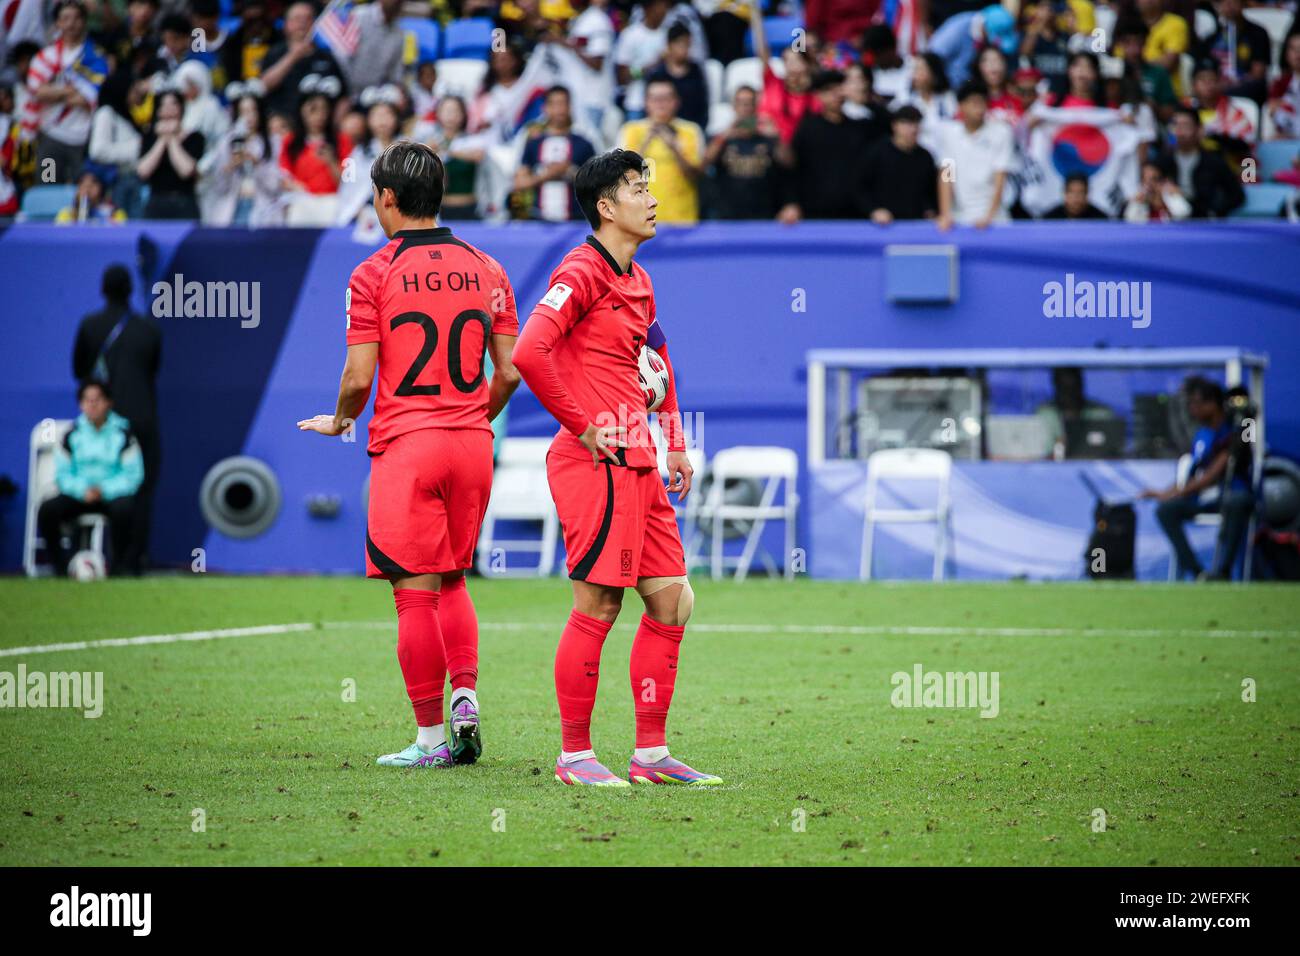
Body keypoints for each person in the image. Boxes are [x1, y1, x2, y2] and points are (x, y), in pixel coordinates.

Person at [297, 141, 522, 769]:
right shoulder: (488, 267)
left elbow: (358, 378)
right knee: (454, 577)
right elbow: (509, 372)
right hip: (473, 446)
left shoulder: (372, 274)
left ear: (387, 199)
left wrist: (341, 419)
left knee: (414, 594)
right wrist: (474, 418)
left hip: (408, 447)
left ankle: (427, 740)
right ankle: (467, 696)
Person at [512, 148, 720, 788]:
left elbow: (660, 363)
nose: (651, 198)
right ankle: (574, 756)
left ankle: (651, 756)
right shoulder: (580, 270)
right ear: (606, 206)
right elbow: (528, 350)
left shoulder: (639, 278)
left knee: (672, 601)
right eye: (637, 188)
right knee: (599, 606)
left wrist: (675, 441)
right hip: (592, 461)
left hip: (641, 461)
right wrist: (582, 424)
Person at [72, 263, 161, 575]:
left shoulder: (90, 325)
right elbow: (153, 369)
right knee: (141, 491)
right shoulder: (148, 329)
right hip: (144, 417)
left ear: (103, 289)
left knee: (111, 484)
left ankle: (90, 556)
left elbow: (80, 371)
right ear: (130, 290)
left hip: (107, 420)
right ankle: (132, 562)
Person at [1141, 377, 1254, 580]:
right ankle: (1197, 572)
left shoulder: (1233, 434)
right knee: (1166, 510)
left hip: (1228, 494)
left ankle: (1224, 571)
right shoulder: (1201, 435)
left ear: (1212, 404)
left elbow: (1211, 476)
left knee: (1237, 501)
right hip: (1203, 498)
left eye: (1196, 403)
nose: (1192, 409)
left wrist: (1178, 493)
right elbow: (1192, 473)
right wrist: (1163, 494)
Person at [38, 380, 144, 577]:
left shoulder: (123, 433)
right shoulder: (71, 434)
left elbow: (133, 475)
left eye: (98, 400)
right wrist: (82, 491)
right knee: (48, 510)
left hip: (110, 495)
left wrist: (103, 490)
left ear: (109, 403)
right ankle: (62, 567)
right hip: (80, 496)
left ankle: (119, 568)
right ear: (81, 404)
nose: (93, 405)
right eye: (88, 400)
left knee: (126, 509)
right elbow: (63, 474)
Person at [22, 1, 109, 184]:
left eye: (77, 18)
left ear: (85, 22)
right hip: (50, 137)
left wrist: (53, 92)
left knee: (81, 190)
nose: (71, 24)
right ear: (58, 23)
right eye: (65, 18)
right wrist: (70, 90)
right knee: (47, 185)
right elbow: (36, 91)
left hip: (83, 139)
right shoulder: (45, 56)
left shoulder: (95, 57)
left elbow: (89, 99)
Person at [779, 69, 876, 222]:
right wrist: (791, 202)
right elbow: (792, 169)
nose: (836, 95)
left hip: (854, 212)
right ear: (819, 95)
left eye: (839, 89)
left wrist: (866, 99)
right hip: (813, 211)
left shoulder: (859, 128)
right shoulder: (807, 129)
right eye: (829, 91)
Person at [616, 77, 704, 223]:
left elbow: (695, 175)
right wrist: (645, 143)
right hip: (640, 220)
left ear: (676, 101)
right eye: (655, 98)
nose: (660, 104)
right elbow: (623, 177)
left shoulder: (691, 131)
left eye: (666, 98)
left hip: (682, 220)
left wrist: (674, 148)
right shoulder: (630, 130)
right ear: (646, 102)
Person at [936, 81, 1015, 229]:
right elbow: (947, 176)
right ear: (961, 106)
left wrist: (989, 217)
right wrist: (945, 213)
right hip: (960, 217)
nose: (979, 108)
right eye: (973, 103)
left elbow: (1000, 176)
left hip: (995, 219)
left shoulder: (1001, 132)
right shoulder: (949, 133)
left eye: (982, 102)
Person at [513, 85, 596, 222]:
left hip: (575, 221)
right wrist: (545, 176)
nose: (560, 109)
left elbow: (596, 184)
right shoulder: (533, 143)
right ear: (545, 108)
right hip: (538, 219)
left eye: (564, 103)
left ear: (570, 107)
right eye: (555, 104)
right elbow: (519, 183)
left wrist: (570, 172)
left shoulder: (584, 144)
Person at [702, 84, 781, 219]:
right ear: (734, 106)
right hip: (728, 215)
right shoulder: (721, 138)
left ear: (756, 107)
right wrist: (725, 135)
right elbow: (705, 163)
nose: (745, 108)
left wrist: (777, 138)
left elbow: (788, 163)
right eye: (741, 103)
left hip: (764, 214)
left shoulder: (768, 137)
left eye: (749, 103)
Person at [259, 1, 346, 121]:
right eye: (297, 19)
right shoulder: (275, 52)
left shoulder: (326, 56)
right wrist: (293, 56)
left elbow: (343, 96)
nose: (302, 23)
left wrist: (335, 125)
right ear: (286, 25)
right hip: (282, 121)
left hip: (319, 125)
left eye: (308, 18)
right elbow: (264, 85)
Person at [749, 2, 816, 144]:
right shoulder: (772, 81)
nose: (790, 64)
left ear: (806, 64)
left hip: (796, 149)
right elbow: (763, 51)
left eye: (795, 59)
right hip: (762, 143)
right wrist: (755, 15)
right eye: (786, 60)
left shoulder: (814, 96)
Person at [1161, 106, 1244, 218]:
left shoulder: (1214, 162)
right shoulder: (1163, 161)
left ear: (1199, 129)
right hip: (1171, 224)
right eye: (1176, 125)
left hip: (1204, 222)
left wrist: (1214, 211)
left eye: (1185, 125)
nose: (1179, 131)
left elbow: (1237, 195)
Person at [136, 88, 204, 218]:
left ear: (181, 107)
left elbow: (186, 170)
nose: (168, 108)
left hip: (184, 201)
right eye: (163, 104)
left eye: (173, 103)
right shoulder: (148, 137)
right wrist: (162, 140)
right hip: (156, 201)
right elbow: (143, 171)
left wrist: (172, 139)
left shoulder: (195, 137)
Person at [863, 104, 938, 223]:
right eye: (907, 123)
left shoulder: (925, 157)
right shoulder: (877, 153)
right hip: (883, 225)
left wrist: (930, 209)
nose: (913, 129)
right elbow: (860, 187)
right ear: (894, 125)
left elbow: (931, 191)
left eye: (916, 123)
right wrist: (873, 210)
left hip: (915, 225)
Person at [645, 22, 709, 132]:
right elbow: (650, 104)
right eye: (680, 44)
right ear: (670, 45)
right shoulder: (658, 73)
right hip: (660, 127)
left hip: (691, 128)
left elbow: (702, 105)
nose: (685, 49)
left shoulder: (696, 71)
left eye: (687, 45)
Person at [343, 0, 404, 93]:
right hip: (346, 88)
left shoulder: (399, 34)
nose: (396, 2)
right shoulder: (359, 16)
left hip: (375, 95)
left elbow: (394, 75)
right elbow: (341, 58)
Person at [1123, 156, 1192, 221]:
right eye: (1145, 180)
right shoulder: (1139, 199)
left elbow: (1184, 213)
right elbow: (1130, 218)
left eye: (1154, 179)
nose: (1150, 185)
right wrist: (1136, 203)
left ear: (1163, 180)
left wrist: (1174, 197)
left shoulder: (1169, 195)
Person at [1266, 33, 1300, 140]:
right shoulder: (1279, 83)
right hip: (1286, 139)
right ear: (1286, 54)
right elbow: (1272, 112)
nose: (1298, 54)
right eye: (1293, 49)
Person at [1044, 171, 1108, 219]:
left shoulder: (1101, 219)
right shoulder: (1050, 219)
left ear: (1087, 193)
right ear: (1065, 193)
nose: (1076, 198)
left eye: (1081, 192)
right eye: (1072, 192)